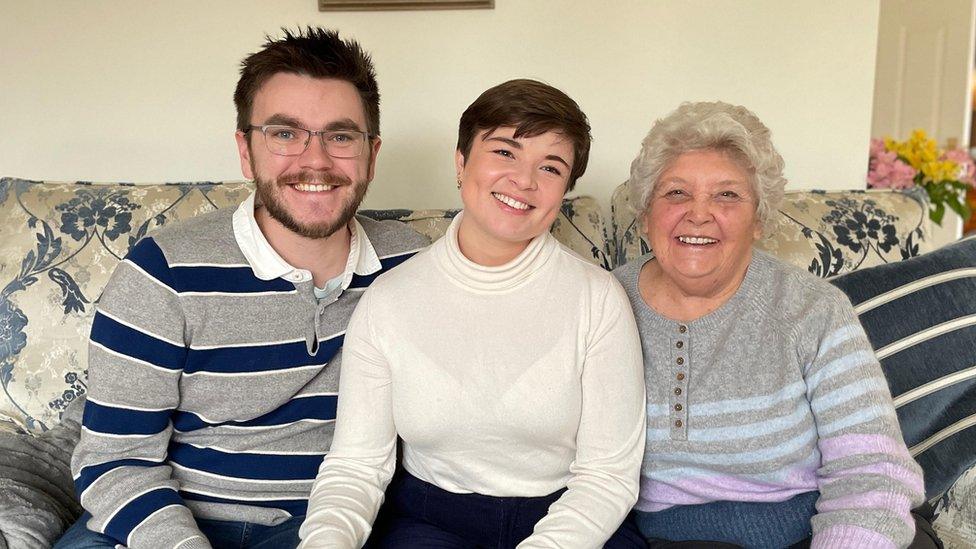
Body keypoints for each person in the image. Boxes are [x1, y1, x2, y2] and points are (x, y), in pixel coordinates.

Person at [56, 27, 428, 549]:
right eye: (284, 133)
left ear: (372, 152)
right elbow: (115, 458)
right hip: (165, 521)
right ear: (246, 151)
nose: (315, 160)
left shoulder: (414, 267)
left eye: (340, 136)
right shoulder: (163, 270)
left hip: (325, 526)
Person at [298, 79, 647, 548]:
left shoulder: (598, 298)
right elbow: (356, 466)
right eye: (505, 152)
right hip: (430, 522)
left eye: (550, 166)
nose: (524, 181)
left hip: (573, 519)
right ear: (461, 162)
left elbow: (608, 475)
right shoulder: (390, 299)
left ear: (564, 190)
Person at [613, 101, 927, 548]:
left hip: (809, 535)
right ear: (646, 216)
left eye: (727, 195)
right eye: (676, 192)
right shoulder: (603, 304)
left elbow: (871, 471)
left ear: (758, 220)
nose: (699, 214)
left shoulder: (811, 309)